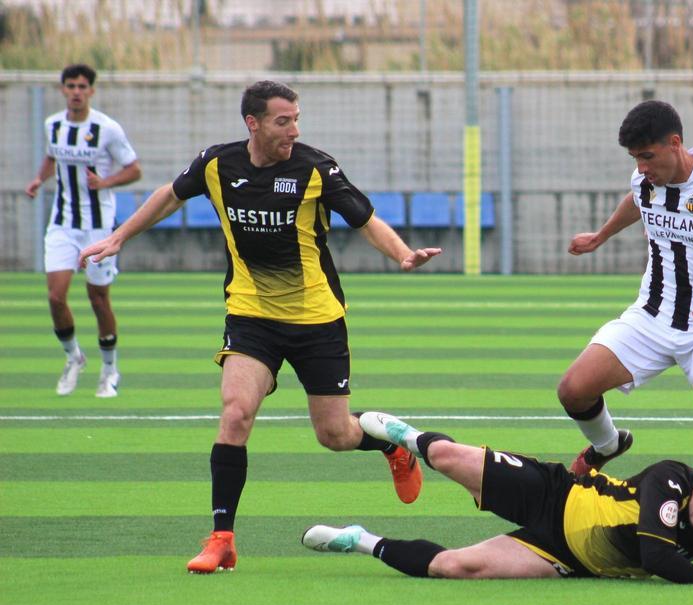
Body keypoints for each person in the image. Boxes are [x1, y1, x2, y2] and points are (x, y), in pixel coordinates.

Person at [79, 80, 442, 572]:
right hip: (252, 315)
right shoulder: (216, 164)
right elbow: (169, 195)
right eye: (282, 121)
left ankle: (393, 449)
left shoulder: (315, 167)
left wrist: (402, 255)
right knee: (235, 414)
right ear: (253, 123)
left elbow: (365, 219)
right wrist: (120, 235)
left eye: (296, 119)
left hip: (318, 319)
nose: (293, 129)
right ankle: (221, 538)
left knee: (334, 434)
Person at [558, 100, 693, 479]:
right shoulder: (645, 179)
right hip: (652, 315)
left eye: (647, 156)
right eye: (634, 159)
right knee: (573, 389)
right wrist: (600, 236)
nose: (641, 168)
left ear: (675, 143)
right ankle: (609, 444)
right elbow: (637, 201)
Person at [301, 412, 693, 584]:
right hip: (555, 493)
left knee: (452, 567)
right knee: (445, 457)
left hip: (564, 558)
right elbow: (656, 555)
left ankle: (360, 540)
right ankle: (403, 438)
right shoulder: (671, 479)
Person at [25, 64, 142, 398]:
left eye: (81, 86)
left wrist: (105, 182)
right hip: (61, 223)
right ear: (63, 90)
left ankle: (109, 369)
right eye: (70, 86)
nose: (76, 91)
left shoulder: (107, 129)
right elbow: (52, 157)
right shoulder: (54, 125)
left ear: (91, 90)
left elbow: (134, 170)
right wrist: (38, 178)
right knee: (55, 296)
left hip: (97, 226)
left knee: (98, 297)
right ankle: (73, 356)